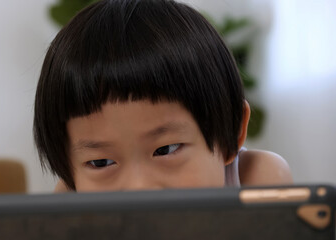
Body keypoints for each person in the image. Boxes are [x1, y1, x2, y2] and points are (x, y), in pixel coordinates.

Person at [34, 0, 293, 192]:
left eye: (166, 150)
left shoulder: (259, 179)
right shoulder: (70, 199)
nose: (139, 188)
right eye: (101, 162)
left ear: (232, 133)